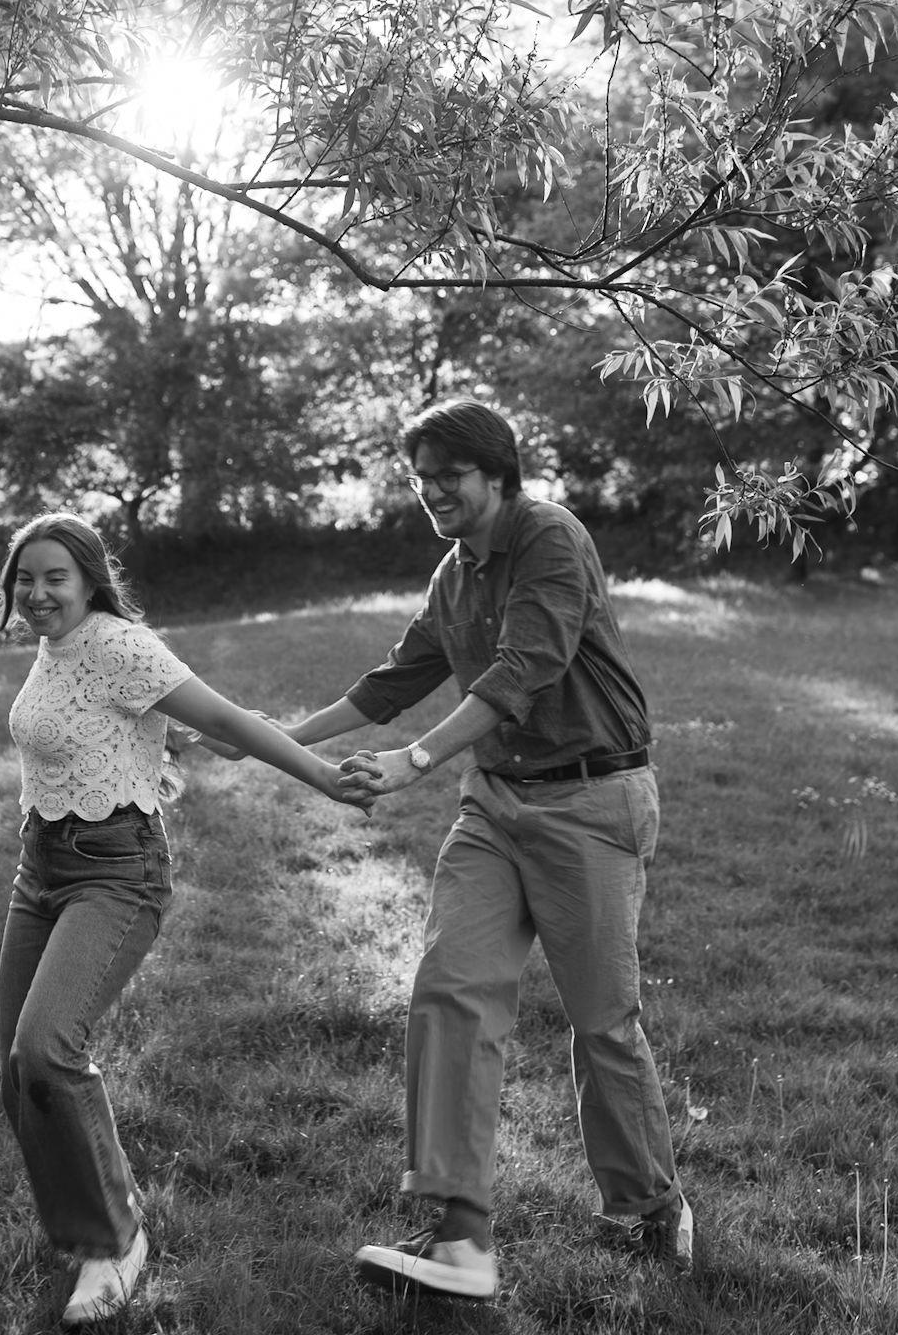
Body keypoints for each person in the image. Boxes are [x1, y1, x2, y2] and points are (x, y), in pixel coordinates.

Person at [271, 399, 692, 1302]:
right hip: (495, 805)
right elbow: (396, 680)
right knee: (450, 989)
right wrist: (269, 740)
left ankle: (648, 1204)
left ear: (497, 475)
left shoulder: (549, 537)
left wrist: (418, 760)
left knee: (601, 1022)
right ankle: (461, 1234)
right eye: (420, 478)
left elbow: (522, 669)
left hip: (592, 800)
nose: (431, 492)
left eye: (448, 476)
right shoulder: (454, 571)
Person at [0, 512, 370, 1326]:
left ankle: (115, 1241)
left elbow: (228, 720)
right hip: (40, 866)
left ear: (90, 581)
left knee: (46, 1049)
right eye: (26, 577)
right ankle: (88, 1222)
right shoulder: (54, 647)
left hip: (115, 872)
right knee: (18, 1070)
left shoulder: (121, 645)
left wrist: (324, 777)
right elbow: (110, 726)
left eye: (55, 577)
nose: (38, 592)